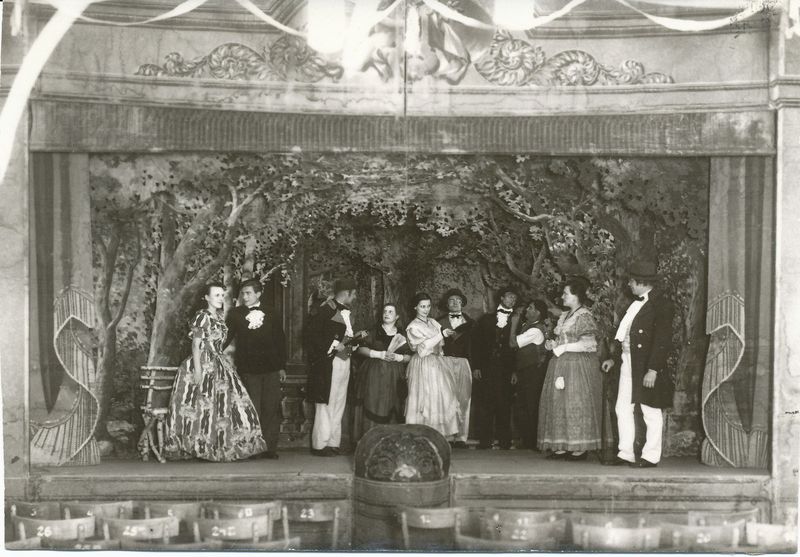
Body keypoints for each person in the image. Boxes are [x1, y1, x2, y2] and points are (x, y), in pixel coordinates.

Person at [164, 283, 266, 462]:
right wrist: (198, 370)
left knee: (226, 405)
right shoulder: (202, 316)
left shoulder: (218, 317)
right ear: (206, 298)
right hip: (202, 363)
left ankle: (221, 446)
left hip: (219, 363)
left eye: (222, 295)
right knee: (202, 407)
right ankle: (202, 447)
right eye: (216, 295)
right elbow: (196, 345)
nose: (220, 298)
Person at [602, 260, 674, 468]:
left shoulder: (661, 305)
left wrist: (653, 369)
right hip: (628, 362)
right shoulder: (634, 304)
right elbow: (624, 336)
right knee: (622, 408)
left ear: (642, 282)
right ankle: (625, 452)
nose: (629, 285)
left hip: (646, 365)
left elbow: (662, 339)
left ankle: (651, 456)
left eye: (632, 281)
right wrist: (613, 359)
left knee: (650, 410)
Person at [538, 277, 607, 460]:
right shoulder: (565, 316)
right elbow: (563, 339)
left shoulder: (584, 316)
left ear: (576, 296)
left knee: (576, 402)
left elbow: (589, 344)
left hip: (578, 365)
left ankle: (580, 447)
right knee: (560, 403)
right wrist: (553, 344)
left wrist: (564, 348)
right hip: (560, 363)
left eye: (566, 293)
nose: (562, 297)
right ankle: (562, 445)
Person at [224, 278, 286, 460]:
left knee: (271, 408)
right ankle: (252, 448)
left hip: (271, 368)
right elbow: (226, 337)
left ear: (259, 294)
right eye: (243, 293)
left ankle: (269, 448)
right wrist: (210, 350)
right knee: (252, 408)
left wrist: (282, 367)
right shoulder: (235, 314)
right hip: (248, 368)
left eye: (248, 293)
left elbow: (280, 340)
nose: (244, 297)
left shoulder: (272, 313)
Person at [306, 278, 364, 457]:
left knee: (339, 402)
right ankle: (320, 444)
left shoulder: (347, 313)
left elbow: (345, 337)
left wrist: (353, 342)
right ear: (346, 293)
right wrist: (332, 344)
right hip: (328, 363)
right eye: (353, 294)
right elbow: (310, 336)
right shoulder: (325, 309)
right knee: (326, 402)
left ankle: (333, 442)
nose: (354, 298)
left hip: (344, 362)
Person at [405, 292, 470, 439]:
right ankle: (419, 434)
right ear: (415, 307)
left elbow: (440, 346)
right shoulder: (413, 326)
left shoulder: (434, 322)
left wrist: (440, 354)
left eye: (428, 306)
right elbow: (422, 349)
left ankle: (437, 434)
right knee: (424, 398)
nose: (426, 309)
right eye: (422, 306)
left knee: (442, 397)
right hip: (423, 364)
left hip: (436, 363)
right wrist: (441, 335)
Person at [352, 303, 412, 442]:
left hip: (395, 375)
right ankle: (371, 440)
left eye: (391, 312)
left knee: (392, 403)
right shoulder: (373, 331)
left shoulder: (403, 334)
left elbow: (410, 356)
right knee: (373, 402)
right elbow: (360, 349)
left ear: (397, 316)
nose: (387, 314)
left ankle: (391, 441)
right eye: (385, 311)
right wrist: (379, 354)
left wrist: (398, 357)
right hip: (374, 373)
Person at [471, 286, 518, 450]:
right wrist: (476, 366)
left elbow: (517, 348)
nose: (512, 300)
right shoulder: (486, 319)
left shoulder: (517, 321)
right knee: (486, 402)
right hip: (487, 367)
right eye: (510, 296)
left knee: (504, 403)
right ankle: (485, 441)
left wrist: (514, 371)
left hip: (506, 369)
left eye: (514, 298)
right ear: (501, 298)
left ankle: (505, 441)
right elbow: (476, 344)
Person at [509, 299, 549, 451]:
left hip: (534, 371)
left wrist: (514, 324)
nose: (526, 310)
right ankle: (527, 440)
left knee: (531, 404)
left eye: (530, 308)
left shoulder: (536, 330)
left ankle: (533, 441)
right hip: (525, 370)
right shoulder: (528, 326)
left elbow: (513, 343)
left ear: (538, 312)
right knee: (523, 404)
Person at [436, 288, 474, 448]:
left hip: (464, 362)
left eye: (458, 300)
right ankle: (447, 435)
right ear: (446, 304)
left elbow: (476, 347)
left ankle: (461, 437)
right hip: (444, 362)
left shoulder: (471, 323)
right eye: (451, 300)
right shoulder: (437, 322)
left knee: (464, 399)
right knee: (445, 399)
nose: (455, 303)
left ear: (462, 303)